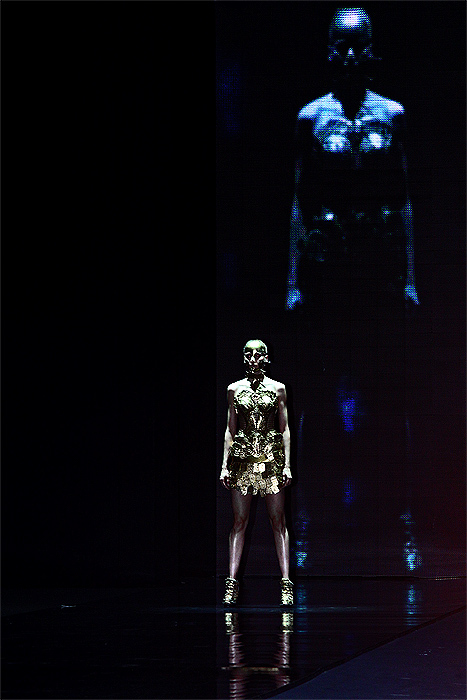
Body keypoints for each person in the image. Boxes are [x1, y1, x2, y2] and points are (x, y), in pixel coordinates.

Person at [286, 7, 419, 312]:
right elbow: (299, 202)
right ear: (330, 51)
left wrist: (410, 280)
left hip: (379, 259)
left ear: (370, 49)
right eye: (342, 46)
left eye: (358, 46)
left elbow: (403, 200)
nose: (350, 56)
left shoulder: (392, 114)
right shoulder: (311, 118)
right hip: (328, 260)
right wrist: (292, 284)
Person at [219, 340, 293, 606]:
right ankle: (231, 584)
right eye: (248, 355)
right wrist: (224, 465)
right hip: (242, 459)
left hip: (271, 459)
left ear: (266, 357)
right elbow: (230, 430)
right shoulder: (234, 389)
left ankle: (286, 584)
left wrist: (287, 464)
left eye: (257, 355)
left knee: (278, 521)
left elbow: (284, 429)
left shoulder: (278, 388)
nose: (253, 359)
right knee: (239, 521)